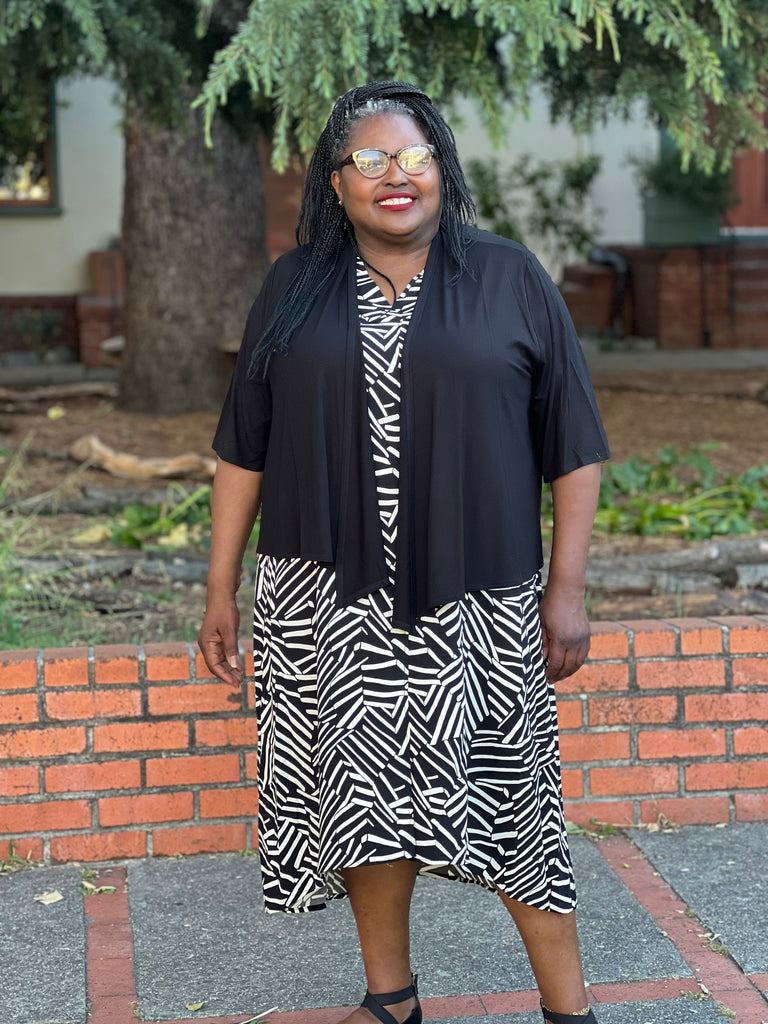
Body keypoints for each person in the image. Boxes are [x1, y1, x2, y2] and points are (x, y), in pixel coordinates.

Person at [198, 80, 609, 1024]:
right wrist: (220, 589)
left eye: (416, 156)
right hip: (324, 602)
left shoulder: (507, 276)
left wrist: (568, 588)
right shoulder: (294, 286)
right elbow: (243, 448)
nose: (398, 175)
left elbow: (574, 445)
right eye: (372, 159)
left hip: (478, 603)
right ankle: (392, 1000)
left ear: (443, 170)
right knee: (361, 806)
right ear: (335, 182)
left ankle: (570, 1011)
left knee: (516, 807)